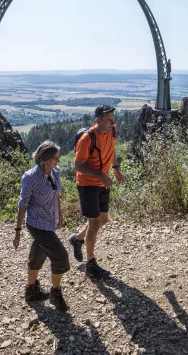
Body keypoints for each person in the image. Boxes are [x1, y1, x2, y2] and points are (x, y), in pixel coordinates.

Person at [13, 140, 70, 311]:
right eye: (55, 158)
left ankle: (31, 291)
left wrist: (60, 213)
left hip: (49, 222)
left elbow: (56, 194)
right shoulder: (30, 178)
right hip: (37, 225)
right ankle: (55, 293)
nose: (58, 161)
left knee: (39, 254)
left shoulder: (55, 171)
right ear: (44, 159)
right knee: (60, 257)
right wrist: (17, 231)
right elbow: (22, 205)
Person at [69, 104, 124, 278]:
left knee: (103, 219)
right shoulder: (87, 139)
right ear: (97, 120)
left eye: (112, 120)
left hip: (102, 181)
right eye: (108, 120)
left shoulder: (112, 131)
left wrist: (115, 168)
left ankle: (77, 239)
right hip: (87, 184)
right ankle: (90, 264)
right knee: (94, 222)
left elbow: (112, 147)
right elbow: (77, 165)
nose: (111, 123)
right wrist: (100, 174)